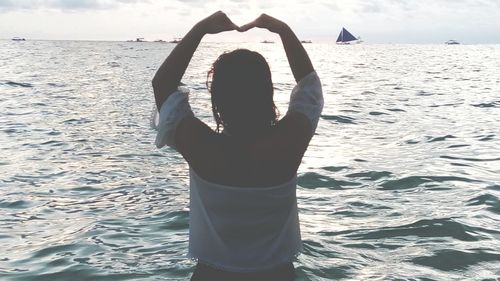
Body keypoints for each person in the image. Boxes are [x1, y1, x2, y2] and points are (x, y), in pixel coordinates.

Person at [152, 11, 323, 281]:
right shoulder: (287, 144)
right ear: (268, 93)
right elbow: (310, 87)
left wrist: (200, 29)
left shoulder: (202, 147)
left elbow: (162, 84)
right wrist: (283, 30)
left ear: (217, 100)